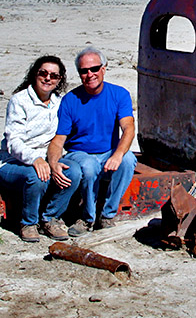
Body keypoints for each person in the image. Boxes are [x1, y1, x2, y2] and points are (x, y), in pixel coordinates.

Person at [48, 46, 137, 236]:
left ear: (103, 68)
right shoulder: (70, 100)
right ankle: (87, 218)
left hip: (107, 152)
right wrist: (54, 163)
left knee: (128, 160)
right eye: (84, 71)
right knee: (88, 166)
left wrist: (118, 155)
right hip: (80, 153)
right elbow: (59, 139)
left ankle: (107, 215)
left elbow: (129, 128)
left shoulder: (119, 94)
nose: (90, 74)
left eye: (94, 69)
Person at [0, 55, 82, 242]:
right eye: (43, 73)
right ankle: (28, 222)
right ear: (35, 74)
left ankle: (50, 218)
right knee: (36, 176)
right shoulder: (20, 101)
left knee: (73, 171)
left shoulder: (59, 103)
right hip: (12, 162)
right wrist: (35, 159)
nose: (48, 78)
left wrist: (54, 161)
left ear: (59, 80)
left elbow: (62, 137)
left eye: (54, 75)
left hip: (46, 158)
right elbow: (13, 142)